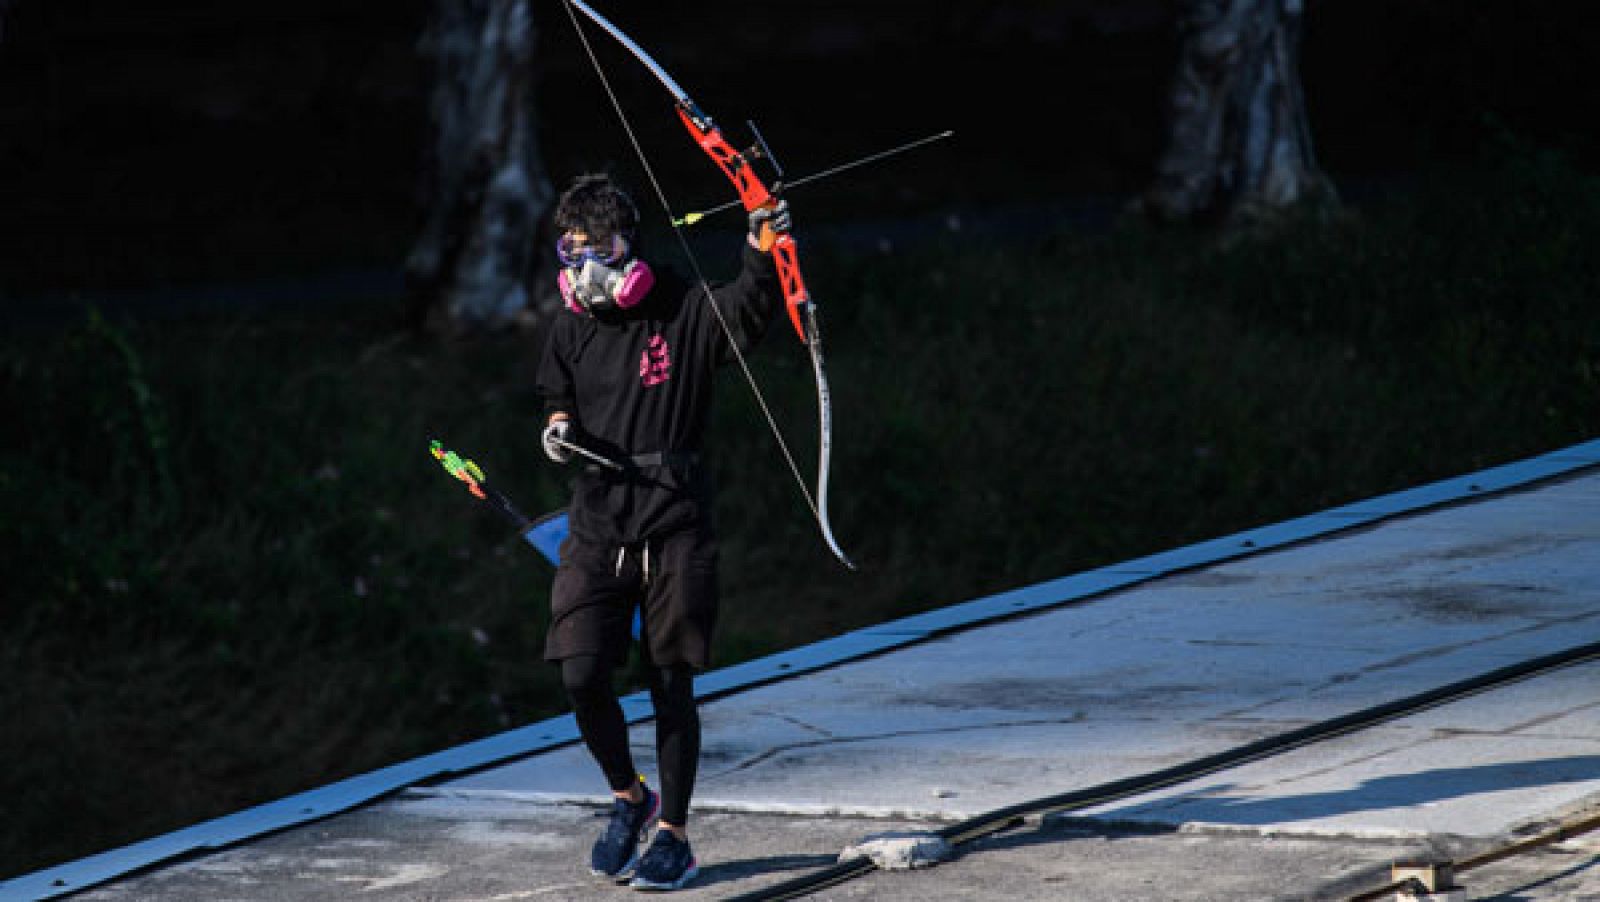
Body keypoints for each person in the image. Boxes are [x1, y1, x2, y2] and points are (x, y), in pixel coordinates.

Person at [535, 172, 789, 891]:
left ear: (627, 249)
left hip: (675, 517)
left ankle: (673, 834)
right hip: (597, 518)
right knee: (581, 671)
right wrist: (557, 428)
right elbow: (557, 393)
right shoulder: (567, 327)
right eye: (569, 251)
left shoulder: (681, 305)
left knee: (670, 679)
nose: (581, 268)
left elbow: (750, 310)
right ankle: (628, 798)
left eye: (595, 250)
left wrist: (761, 240)